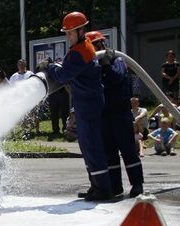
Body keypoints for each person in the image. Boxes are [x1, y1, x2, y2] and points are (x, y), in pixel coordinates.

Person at [44, 11, 113, 201]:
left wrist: (49, 67)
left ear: (81, 30)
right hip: (89, 102)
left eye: (71, 32)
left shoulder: (79, 51)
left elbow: (62, 76)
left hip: (87, 104)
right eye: (66, 33)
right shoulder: (83, 46)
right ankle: (96, 186)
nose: (68, 36)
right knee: (88, 146)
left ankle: (103, 189)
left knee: (91, 146)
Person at [87, 30, 143, 198]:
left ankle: (137, 184)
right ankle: (115, 186)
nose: (99, 47)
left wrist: (106, 66)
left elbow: (117, 77)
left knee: (127, 149)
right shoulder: (92, 65)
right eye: (95, 44)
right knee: (109, 152)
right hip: (104, 115)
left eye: (100, 44)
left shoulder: (116, 60)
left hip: (120, 112)